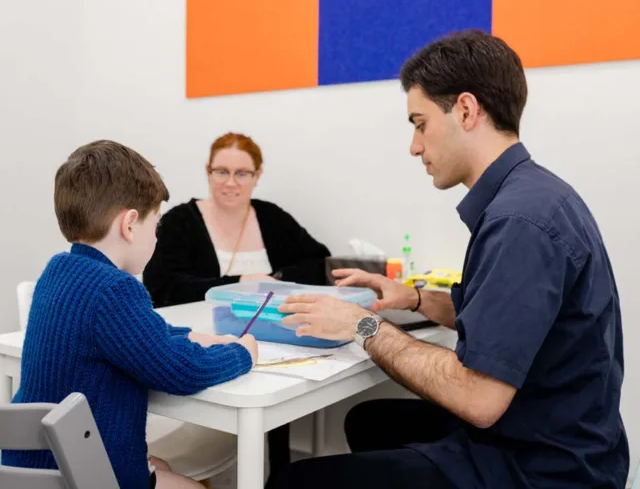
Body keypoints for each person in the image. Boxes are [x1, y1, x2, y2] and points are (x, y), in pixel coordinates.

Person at [268, 30, 629, 488]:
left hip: (541, 469)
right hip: (556, 435)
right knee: (369, 421)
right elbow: (508, 320)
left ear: (465, 109)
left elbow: (478, 398)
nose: (415, 146)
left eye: (420, 124)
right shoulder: (534, 194)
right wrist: (415, 299)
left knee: (294, 482)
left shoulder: (519, 220)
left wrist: (360, 326)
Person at [2, 140, 258, 489]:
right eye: (156, 226)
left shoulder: (59, 271)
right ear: (130, 225)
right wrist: (241, 353)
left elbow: (139, 333)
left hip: (36, 464)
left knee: (161, 463)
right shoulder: (115, 289)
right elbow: (181, 371)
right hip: (83, 474)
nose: (156, 238)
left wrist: (186, 335)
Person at [143, 132, 331, 475]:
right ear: (207, 172)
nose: (230, 183)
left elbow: (320, 261)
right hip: (200, 343)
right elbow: (161, 287)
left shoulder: (270, 218)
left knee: (275, 392)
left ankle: (273, 474)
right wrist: (238, 284)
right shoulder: (180, 222)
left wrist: (274, 276)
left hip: (266, 341)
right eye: (221, 172)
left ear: (257, 176)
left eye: (242, 173)